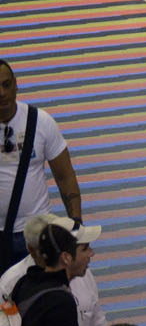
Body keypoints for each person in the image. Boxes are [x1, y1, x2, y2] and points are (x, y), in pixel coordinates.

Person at [0, 213, 107, 326]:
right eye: (84, 248)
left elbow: (98, 323)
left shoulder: (83, 274)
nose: (91, 254)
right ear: (65, 256)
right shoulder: (16, 283)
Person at [0, 59, 83, 266]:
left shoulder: (41, 122)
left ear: (16, 85)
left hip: (38, 235)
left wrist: (77, 223)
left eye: (6, 85)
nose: (2, 93)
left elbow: (65, 177)